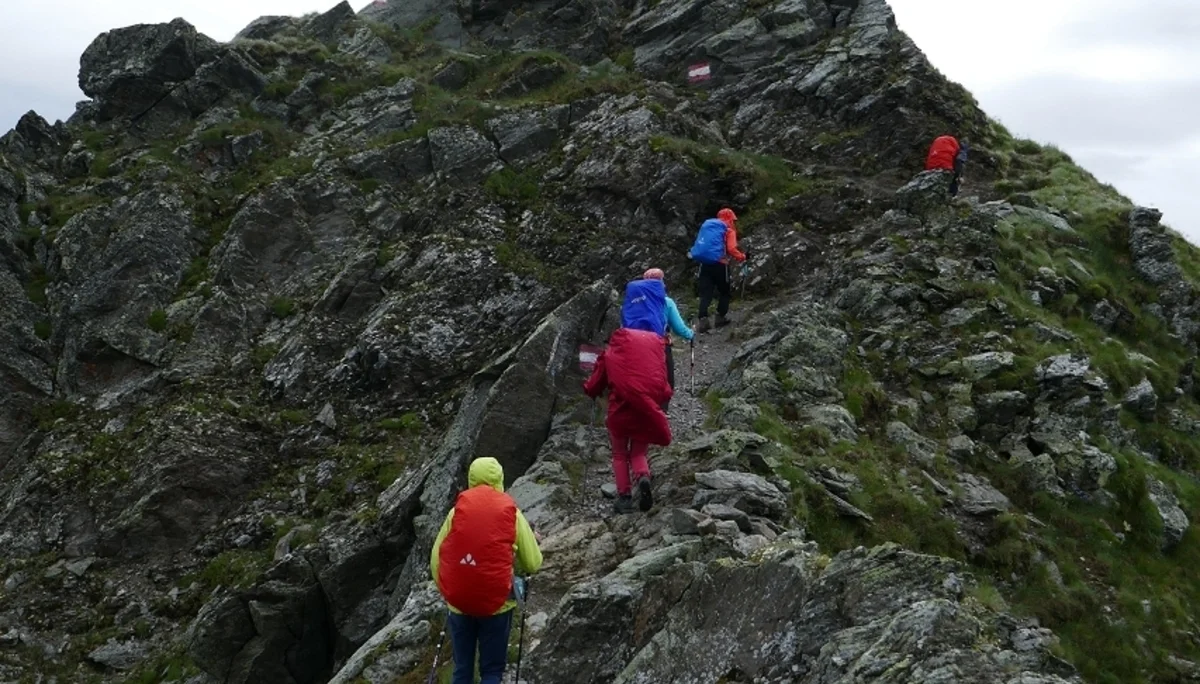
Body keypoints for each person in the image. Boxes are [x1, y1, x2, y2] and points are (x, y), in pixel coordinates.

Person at [430, 457, 543, 684]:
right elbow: (533, 563)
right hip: (497, 604)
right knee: (491, 670)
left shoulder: (457, 511)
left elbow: (436, 558)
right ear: (500, 479)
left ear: (471, 479)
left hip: (459, 602)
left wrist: (449, 589)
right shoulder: (512, 512)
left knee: (462, 669)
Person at [583, 324, 673, 514]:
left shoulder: (610, 355)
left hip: (621, 412)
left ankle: (624, 498)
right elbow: (665, 388)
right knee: (639, 453)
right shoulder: (652, 358)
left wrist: (589, 390)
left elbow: (595, 384)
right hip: (646, 410)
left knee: (619, 454)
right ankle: (643, 477)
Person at [642, 268, 694, 411]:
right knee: (667, 382)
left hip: (637, 347)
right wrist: (691, 334)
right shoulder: (666, 302)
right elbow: (679, 328)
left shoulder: (636, 302)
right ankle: (660, 413)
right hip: (660, 347)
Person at [687, 207, 746, 332]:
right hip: (720, 265)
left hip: (704, 264)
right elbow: (731, 249)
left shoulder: (707, 227)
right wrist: (742, 257)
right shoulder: (728, 230)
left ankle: (703, 321)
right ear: (730, 218)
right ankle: (720, 318)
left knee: (706, 293)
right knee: (724, 291)